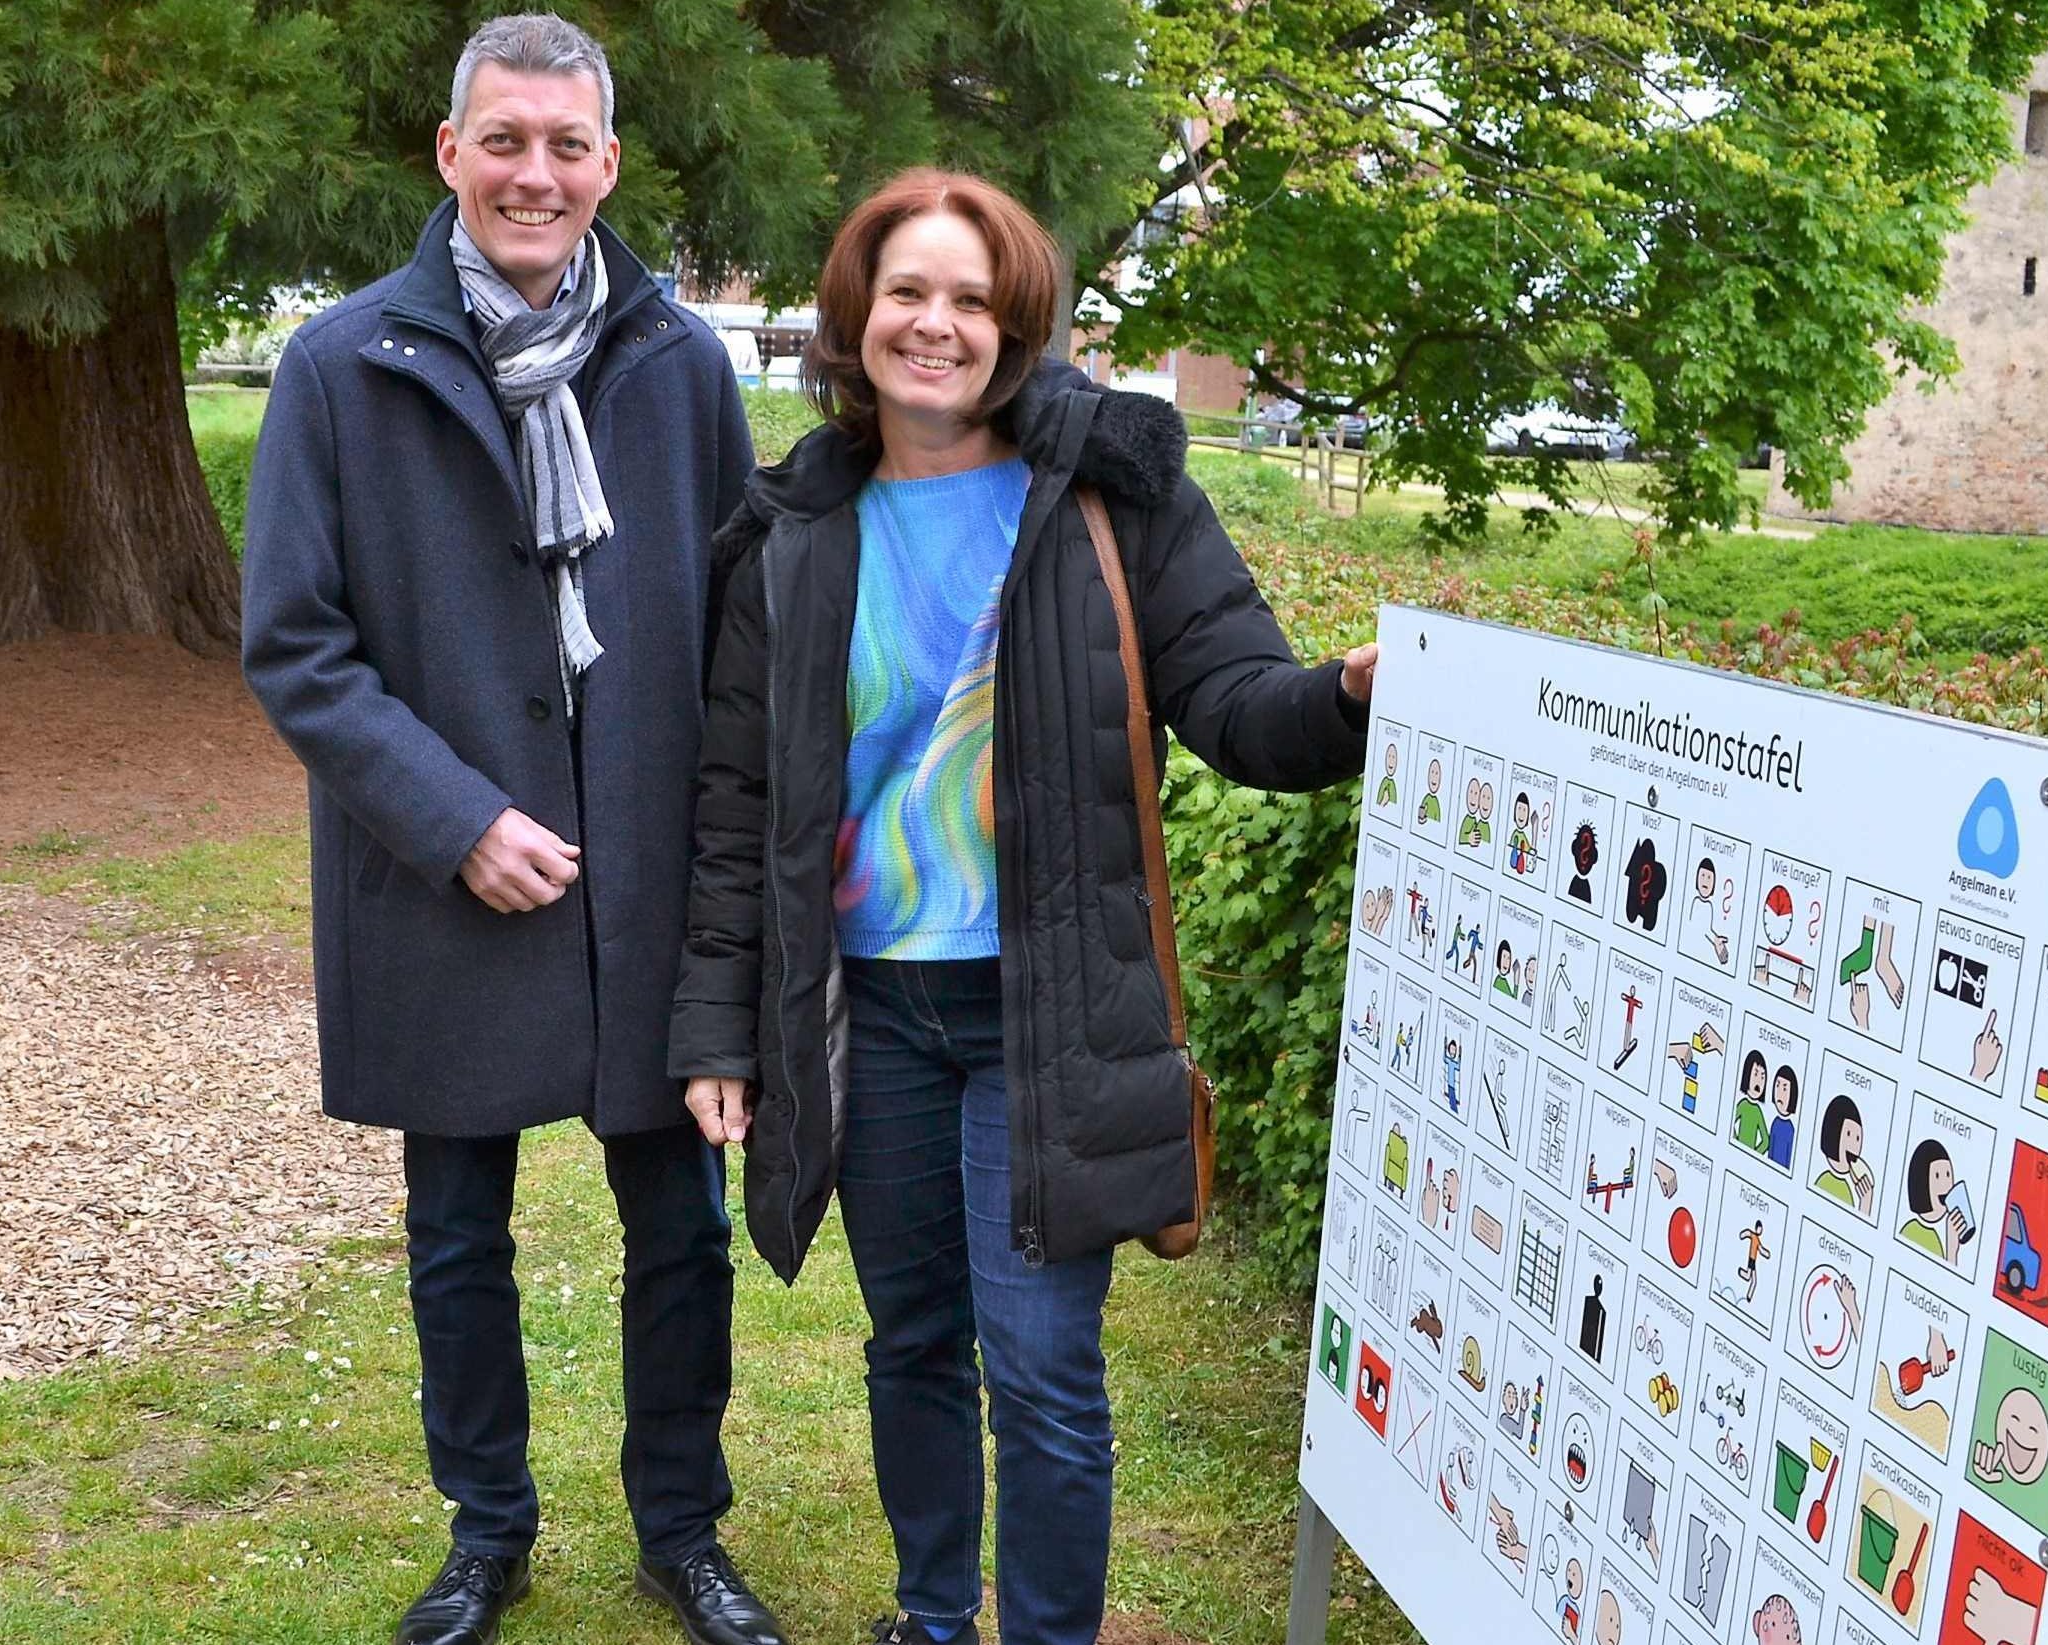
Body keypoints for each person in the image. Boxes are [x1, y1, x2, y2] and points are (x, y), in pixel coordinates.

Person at [668, 169, 1374, 1645]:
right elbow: (739, 810)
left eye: (973, 299)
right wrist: (717, 1026)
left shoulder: (1113, 497)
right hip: (876, 1013)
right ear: (858, 313)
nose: (937, 324)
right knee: (912, 1341)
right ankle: (935, 1619)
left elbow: (1237, 701)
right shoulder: (794, 529)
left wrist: (1349, 699)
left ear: (1019, 323)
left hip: (1045, 1009)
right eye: (909, 291)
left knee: (1044, 1367)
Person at [240, 16, 783, 1645]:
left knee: (677, 1227)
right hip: (446, 877)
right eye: (506, 140)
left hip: (650, 879)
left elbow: (741, 620)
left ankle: (680, 1529)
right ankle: (488, 1530)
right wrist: (451, 814)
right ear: (450, 154)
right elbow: (296, 643)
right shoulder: (345, 365)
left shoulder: (680, 366)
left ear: (608, 167)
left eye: (567, 145)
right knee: (455, 1230)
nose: (534, 173)